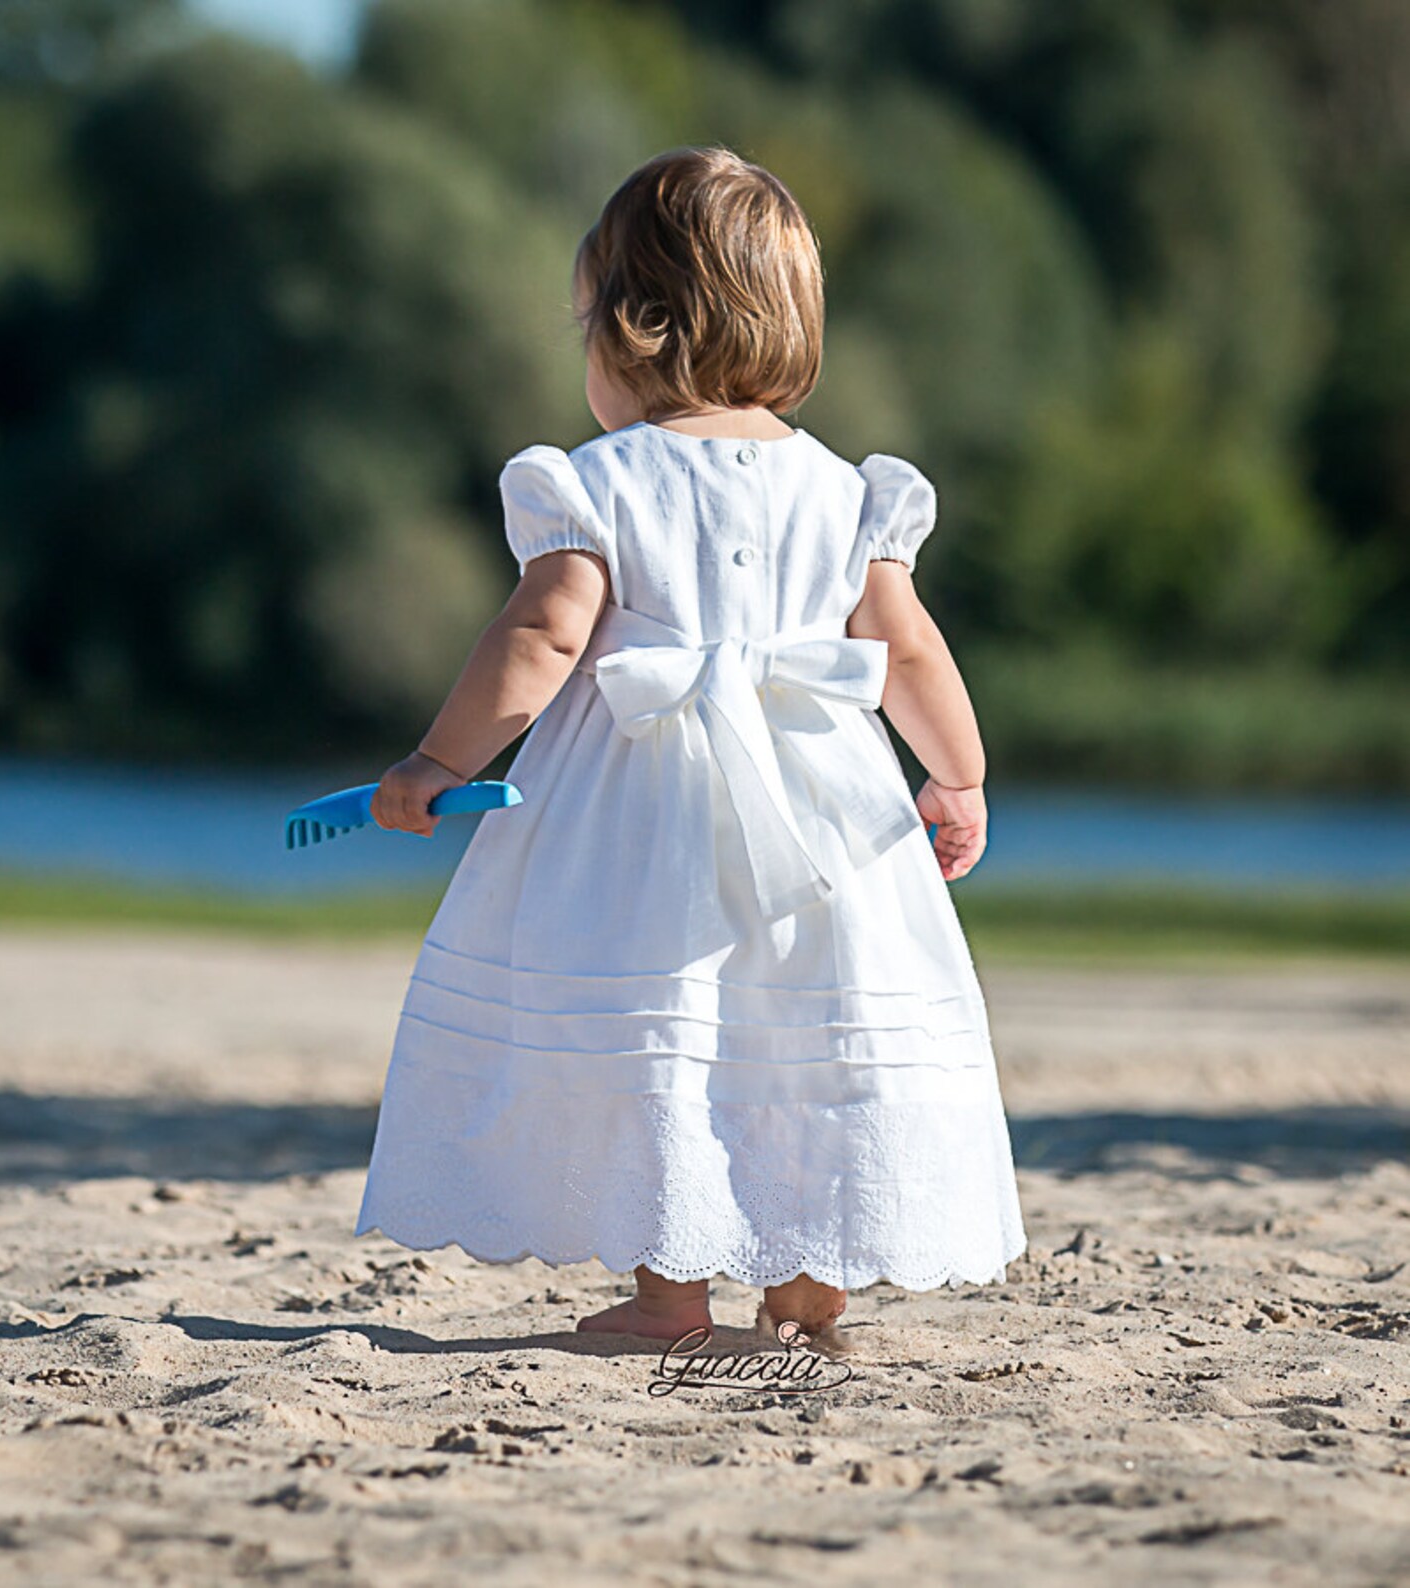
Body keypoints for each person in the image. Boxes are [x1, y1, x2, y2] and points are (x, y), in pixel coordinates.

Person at [357, 145, 1026, 1356]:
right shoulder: (843, 493)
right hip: (825, 817)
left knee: (672, 1015)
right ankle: (812, 1272)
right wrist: (956, 775)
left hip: (640, 811)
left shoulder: (596, 483)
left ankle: (670, 1295)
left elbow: (544, 632)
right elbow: (909, 652)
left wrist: (438, 763)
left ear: (635, 325)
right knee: (802, 1014)